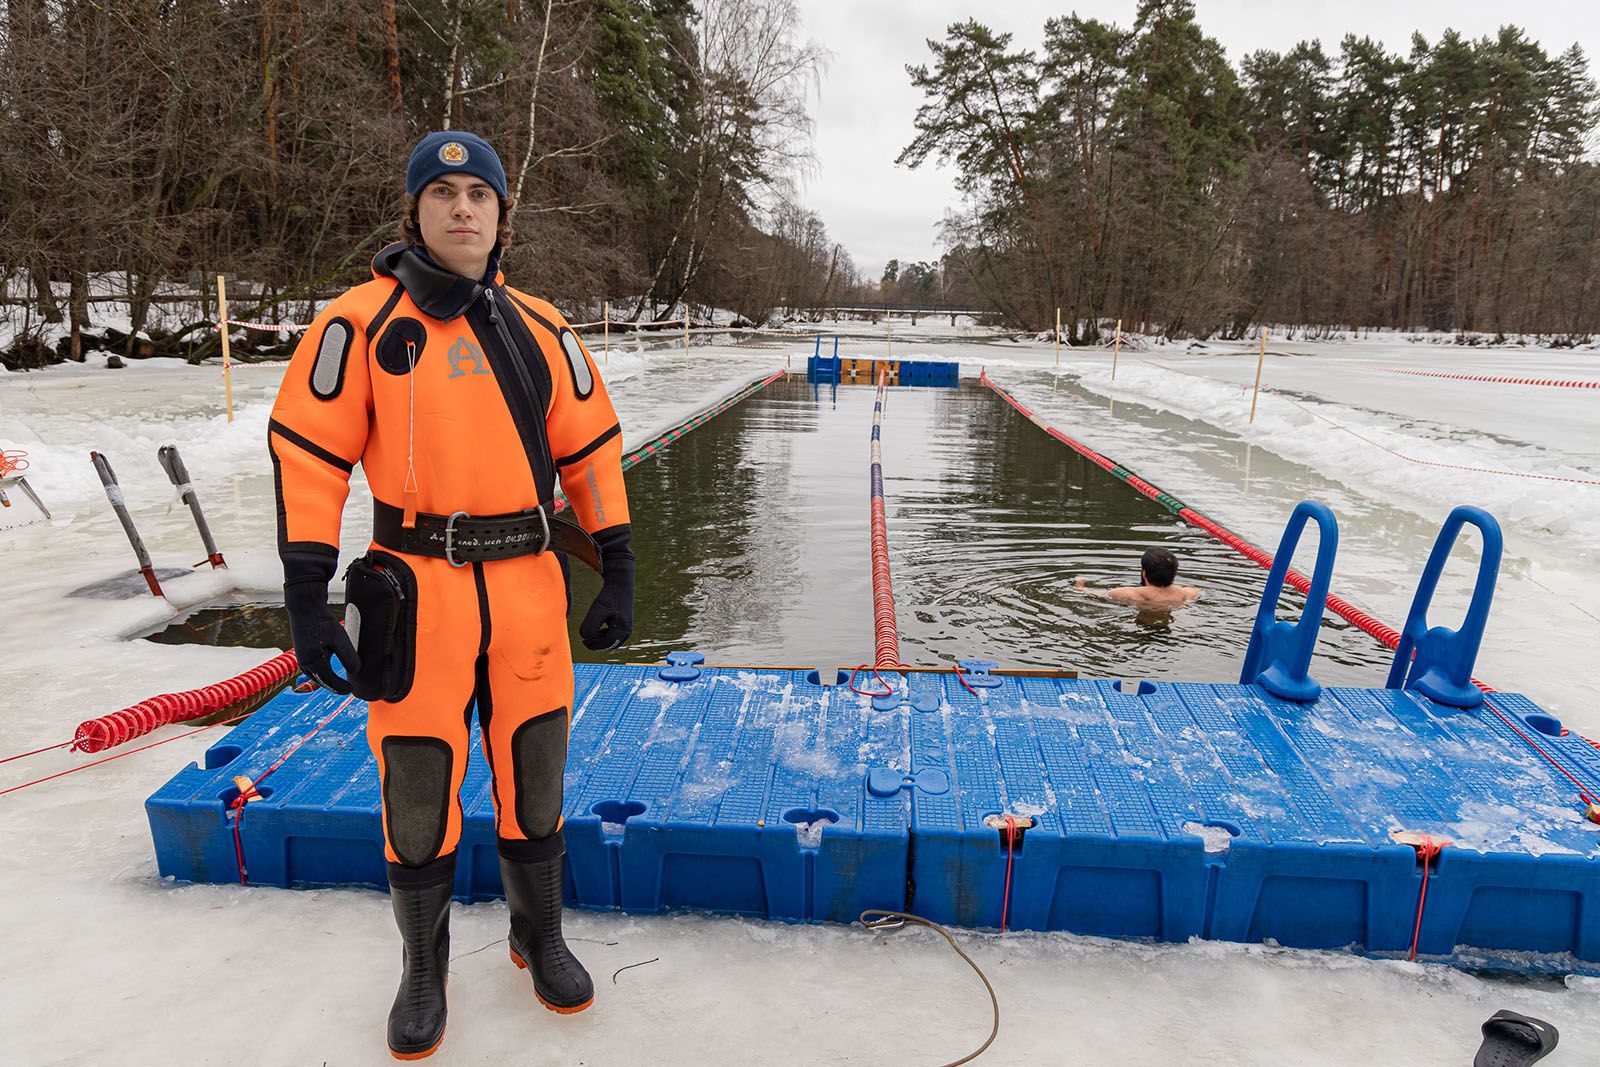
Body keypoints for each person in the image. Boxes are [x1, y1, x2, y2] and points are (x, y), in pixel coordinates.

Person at [270, 130, 633, 1060]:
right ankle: (422, 966)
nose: (463, 207)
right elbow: (310, 456)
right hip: (414, 590)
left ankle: (536, 932)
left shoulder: (544, 328)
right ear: (416, 212)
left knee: (536, 768)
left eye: (480, 192)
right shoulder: (357, 323)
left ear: (503, 213)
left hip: (524, 587)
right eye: (444, 193)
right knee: (419, 783)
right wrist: (308, 596)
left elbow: (592, 449)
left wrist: (621, 566)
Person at [1075, 546, 1200, 610]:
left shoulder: (1129, 593)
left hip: (1142, 625)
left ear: (1144, 573)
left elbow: (1088, 594)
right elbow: (1199, 591)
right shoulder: (1187, 593)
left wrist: (1079, 583)